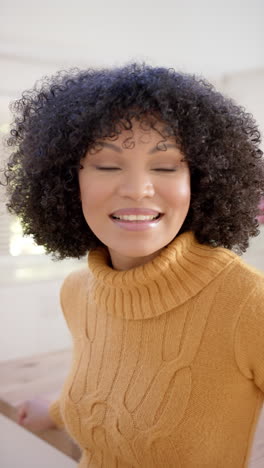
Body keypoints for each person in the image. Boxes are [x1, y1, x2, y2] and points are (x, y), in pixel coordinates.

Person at [3, 62, 264, 467]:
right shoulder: (77, 292)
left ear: (201, 180)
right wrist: (55, 409)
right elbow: (110, 388)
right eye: (107, 166)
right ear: (69, 182)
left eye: (165, 166)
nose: (138, 189)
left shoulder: (247, 301)